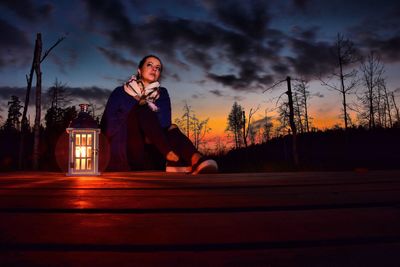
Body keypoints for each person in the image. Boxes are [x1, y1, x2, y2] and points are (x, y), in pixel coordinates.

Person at [101, 55, 218, 174]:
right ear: (139, 70)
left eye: (158, 68)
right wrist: (136, 109)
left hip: (153, 151)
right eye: (149, 65)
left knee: (171, 128)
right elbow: (108, 126)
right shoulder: (120, 93)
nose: (154, 69)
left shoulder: (162, 94)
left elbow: (165, 124)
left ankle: (197, 159)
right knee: (142, 108)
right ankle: (172, 157)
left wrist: (146, 118)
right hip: (126, 152)